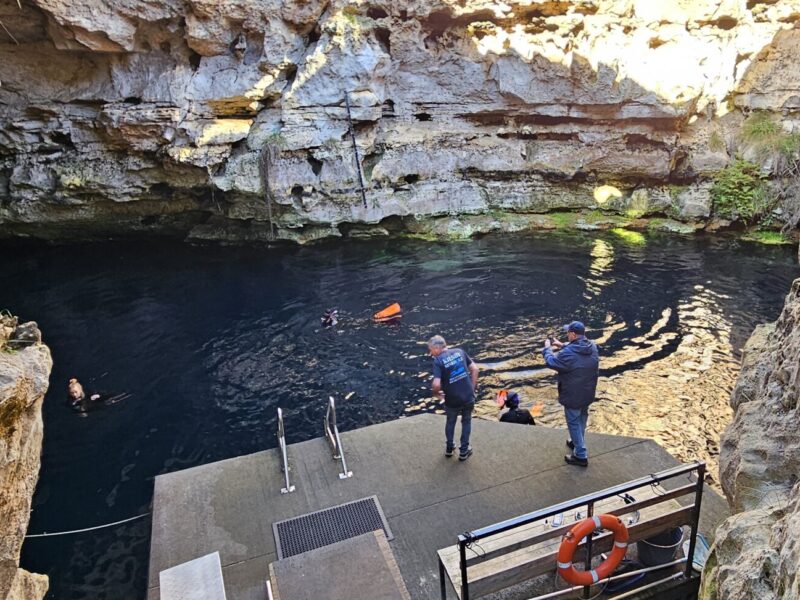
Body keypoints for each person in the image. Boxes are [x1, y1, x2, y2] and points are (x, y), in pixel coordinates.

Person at [542, 321, 599, 467]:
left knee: (573, 422)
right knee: (582, 417)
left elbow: (551, 362)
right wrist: (561, 345)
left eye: (568, 332)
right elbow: (576, 351)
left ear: (573, 334)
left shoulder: (568, 353)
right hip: (587, 392)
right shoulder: (592, 346)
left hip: (573, 395)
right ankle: (576, 442)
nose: (567, 334)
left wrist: (547, 349)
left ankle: (581, 455)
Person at [429, 335, 479, 461]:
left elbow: (436, 384)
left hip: (452, 399)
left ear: (437, 348)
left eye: (430, 349)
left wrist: (436, 394)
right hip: (468, 396)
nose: (430, 353)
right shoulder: (459, 352)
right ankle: (464, 451)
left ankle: (449, 448)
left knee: (450, 421)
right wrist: (472, 389)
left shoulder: (438, 361)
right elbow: (475, 369)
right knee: (466, 421)